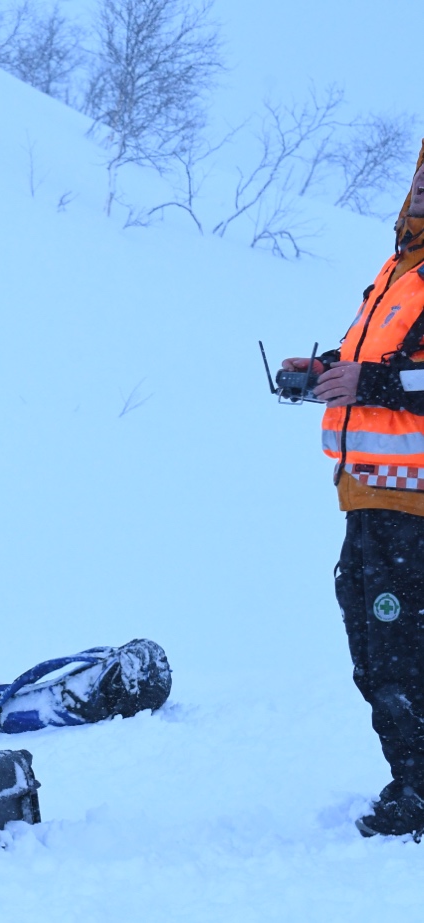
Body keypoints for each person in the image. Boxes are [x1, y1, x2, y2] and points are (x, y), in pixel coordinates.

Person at [282, 142, 424, 839]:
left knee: (402, 655)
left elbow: (400, 379)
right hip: (368, 493)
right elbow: (388, 361)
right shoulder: (398, 267)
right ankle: (412, 778)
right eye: (421, 172)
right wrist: (327, 371)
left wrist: (370, 384)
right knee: (374, 651)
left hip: (415, 506)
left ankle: (420, 790)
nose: (422, 184)